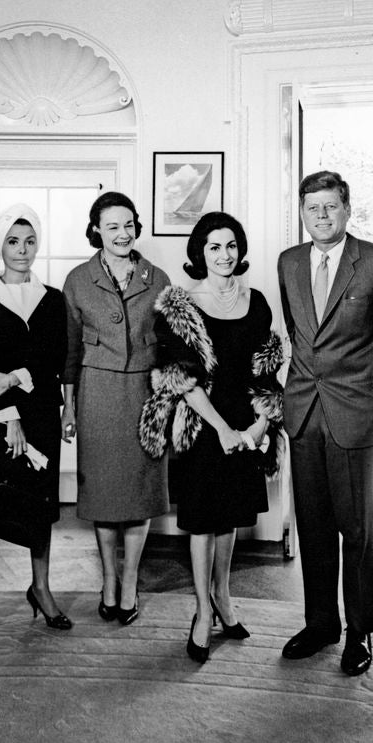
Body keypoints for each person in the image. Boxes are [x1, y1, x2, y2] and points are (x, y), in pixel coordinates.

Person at [277, 170, 373, 675]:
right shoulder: (289, 262)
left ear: (347, 209)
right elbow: (298, 332)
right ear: (302, 212)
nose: (321, 216)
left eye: (330, 206)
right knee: (312, 527)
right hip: (303, 412)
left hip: (354, 414)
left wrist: (367, 387)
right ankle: (320, 624)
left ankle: (360, 632)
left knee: (355, 529)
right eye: (312, 207)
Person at [139, 212, 284, 663]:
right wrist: (223, 430)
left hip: (246, 425)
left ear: (240, 251)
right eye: (214, 247)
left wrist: (258, 427)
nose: (224, 255)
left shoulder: (256, 301)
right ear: (200, 253)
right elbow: (180, 378)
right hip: (204, 428)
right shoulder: (179, 304)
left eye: (231, 246)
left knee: (230, 517)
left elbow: (266, 373)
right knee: (203, 521)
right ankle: (202, 611)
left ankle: (224, 597)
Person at [0, 204, 71, 647]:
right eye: (12, 242)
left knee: (38, 506)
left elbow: (54, 359)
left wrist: (16, 377)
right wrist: (7, 412)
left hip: (40, 414)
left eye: (28, 241)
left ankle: (40, 589)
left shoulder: (54, 300)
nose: (21, 251)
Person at [61, 191, 171, 625]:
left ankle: (130, 581)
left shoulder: (157, 277)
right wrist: (69, 408)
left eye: (128, 224)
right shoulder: (77, 279)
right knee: (103, 495)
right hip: (96, 395)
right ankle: (107, 581)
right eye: (112, 226)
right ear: (96, 231)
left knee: (140, 492)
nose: (122, 233)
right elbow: (69, 352)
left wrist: (168, 401)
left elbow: (170, 347)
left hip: (146, 395)